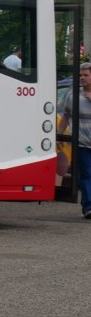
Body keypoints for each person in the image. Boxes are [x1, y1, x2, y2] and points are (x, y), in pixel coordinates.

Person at [60, 62, 91, 219]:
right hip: (81, 143)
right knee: (86, 174)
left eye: (86, 75)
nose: (82, 78)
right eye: (80, 75)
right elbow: (66, 116)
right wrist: (59, 136)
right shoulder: (73, 95)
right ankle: (88, 207)